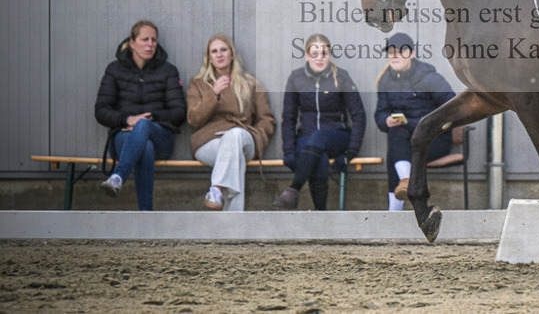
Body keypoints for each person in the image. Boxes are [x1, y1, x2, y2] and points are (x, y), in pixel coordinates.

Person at [94, 20, 186, 210]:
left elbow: (179, 113)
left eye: (154, 40)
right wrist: (127, 120)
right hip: (122, 138)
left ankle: (119, 175)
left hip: (161, 137)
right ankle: (146, 215)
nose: (150, 44)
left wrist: (149, 118)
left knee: (144, 126)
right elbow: (101, 110)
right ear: (132, 43)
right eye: (145, 39)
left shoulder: (168, 71)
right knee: (146, 147)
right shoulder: (114, 70)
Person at [273, 34, 367, 210]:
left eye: (324, 53)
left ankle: (294, 188)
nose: (319, 58)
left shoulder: (341, 77)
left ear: (330, 55)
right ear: (306, 55)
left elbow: (359, 115)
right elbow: (289, 118)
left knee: (319, 136)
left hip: (337, 136)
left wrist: (350, 153)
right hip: (306, 139)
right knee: (320, 159)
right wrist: (289, 151)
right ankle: (321, 216)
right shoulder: (296, 78)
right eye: (314, 53)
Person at [187, 33, 275, 211]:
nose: (219, 54)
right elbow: (194, 119)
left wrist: (258, 138)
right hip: (209, 141)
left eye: (223, 50)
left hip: (243, 137)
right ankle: (233, 224)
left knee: (234, 136)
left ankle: (216, 189)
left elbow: (267, 119)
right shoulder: (198, 84)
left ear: (232, 54)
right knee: (236, 157)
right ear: (209, 58)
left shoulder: (251, 84)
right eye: (214, 51)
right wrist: (214, 95)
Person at [374, 32, 456, 211]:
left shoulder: (430, 78)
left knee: (396, 153)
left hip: (434, 140)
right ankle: (406, 183)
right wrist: (385, 120)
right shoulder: (385, 81)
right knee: (396, 137)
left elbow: (452, 107)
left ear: (411, 53)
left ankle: (396, 206)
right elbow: (380, 113)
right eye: (390, 52)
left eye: (400, 52)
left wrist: (415, 124)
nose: (394, 56)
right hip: (405, 139)